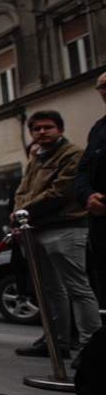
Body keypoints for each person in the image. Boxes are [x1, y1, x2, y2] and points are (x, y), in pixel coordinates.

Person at [13, 110, 100, 358]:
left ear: (60, 129)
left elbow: (61, 191)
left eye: (47, 127)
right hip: (37, 229)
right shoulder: (36, 157)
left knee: (77, 288)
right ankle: (56, 341)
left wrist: (23, 209)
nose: (42, 132)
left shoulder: (72, 154)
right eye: (36, 129)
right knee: (50, 289)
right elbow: (23, 189)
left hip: (65, 228)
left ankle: (90, 348)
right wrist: (19, 209)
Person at [75, 70, 106, 306]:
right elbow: (83, 169)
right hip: (100, 217)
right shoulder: (98, 129)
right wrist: (88, 195)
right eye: (102, 87)